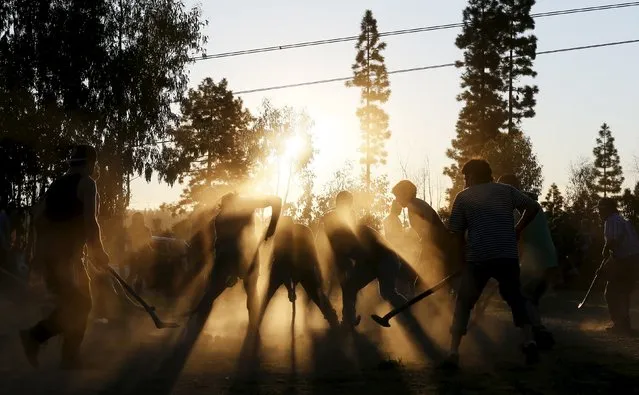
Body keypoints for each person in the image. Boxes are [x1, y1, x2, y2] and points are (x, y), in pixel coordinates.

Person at [443, 159, 541, 368]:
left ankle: (453, 351)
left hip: (478, 257)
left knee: (464, 303)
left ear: (472, 176)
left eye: (466, 177)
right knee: (515, 298)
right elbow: (533, 207)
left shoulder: (464, 197)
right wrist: (518, 228)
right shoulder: (506, 191)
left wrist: (458, 262)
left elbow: (456, 234)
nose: (465, 181)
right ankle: (529, 340)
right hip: (506, 255)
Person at [20, 144, 110, 369]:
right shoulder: (88, 183)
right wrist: (99, 251)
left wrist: (38, 253)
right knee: (80, 305)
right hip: (68, 259)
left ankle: (67, 355)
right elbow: (91, 221)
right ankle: (37, 338)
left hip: (54, 257)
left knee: (77, 305)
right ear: (91, 163)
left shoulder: (55, 185)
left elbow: (37, 218)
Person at [190, 192, 281, 331]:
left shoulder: (246, 207)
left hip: (247, 255)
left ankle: (254, 329)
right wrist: (228, 270)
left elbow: (276, 201)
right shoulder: (220, 219)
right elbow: (221, 246)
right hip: (229, 258)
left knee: (250, 292)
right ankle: (194, 324)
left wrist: (271, 228)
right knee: (211, 293)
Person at [498, 174, 557, 349]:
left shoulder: (517, 210)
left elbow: (519, 239)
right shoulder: (531, 204)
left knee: (521, 295)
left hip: (536, 261)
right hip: (549, 258)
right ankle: (536, 330)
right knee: (530, 298)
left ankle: (539, 331)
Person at [257, 216, 339, 329]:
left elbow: (313, 254)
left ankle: (333, 319)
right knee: (268, 294)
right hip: (282, 267)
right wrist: (289, 289)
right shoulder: (281, 235)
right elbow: (279, 261)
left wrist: (318, 272)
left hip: (304, 267)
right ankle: (256, 322)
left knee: (317, 294)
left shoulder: (304, 232)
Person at [341, 222, 411, 328]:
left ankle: (409, 312)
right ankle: (349, 320)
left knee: (387, 292)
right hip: (377, 262)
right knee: (351, 286)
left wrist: (353, 277)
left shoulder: (357, 231)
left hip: (386, 260)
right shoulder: (349, 235)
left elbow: (363, 257)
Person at [391, 180, 454, 286]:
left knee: (419, 283)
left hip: (439, 246)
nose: (396, 199)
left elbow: (428, 230)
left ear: (405, 194)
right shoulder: (416, 203)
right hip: (438, 245)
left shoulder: (414, 205)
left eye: (398, 196)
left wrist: (424, 252)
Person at [597, 197, 639, 335]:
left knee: (612, 292)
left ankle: (620, 324)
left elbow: (615, 240)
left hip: (626, 260)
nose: (598, 212)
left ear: (606, 209)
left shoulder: (611, 220)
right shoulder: (622, 220)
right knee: (623, 293)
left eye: (600, 209)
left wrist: (605, 250)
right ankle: (624, 324)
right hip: (633, 259)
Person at [126, 212, 154, 292]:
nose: (137, 221)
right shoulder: (130, 229)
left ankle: (138, 292)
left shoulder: (146, 229)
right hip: (134, 255)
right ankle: (126, 291)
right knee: (132, 274)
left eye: (139, 219)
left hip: (144, 255)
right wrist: (133, 251)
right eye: (136, 219)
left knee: (141, 275)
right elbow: (128, 242)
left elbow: (149, 241)